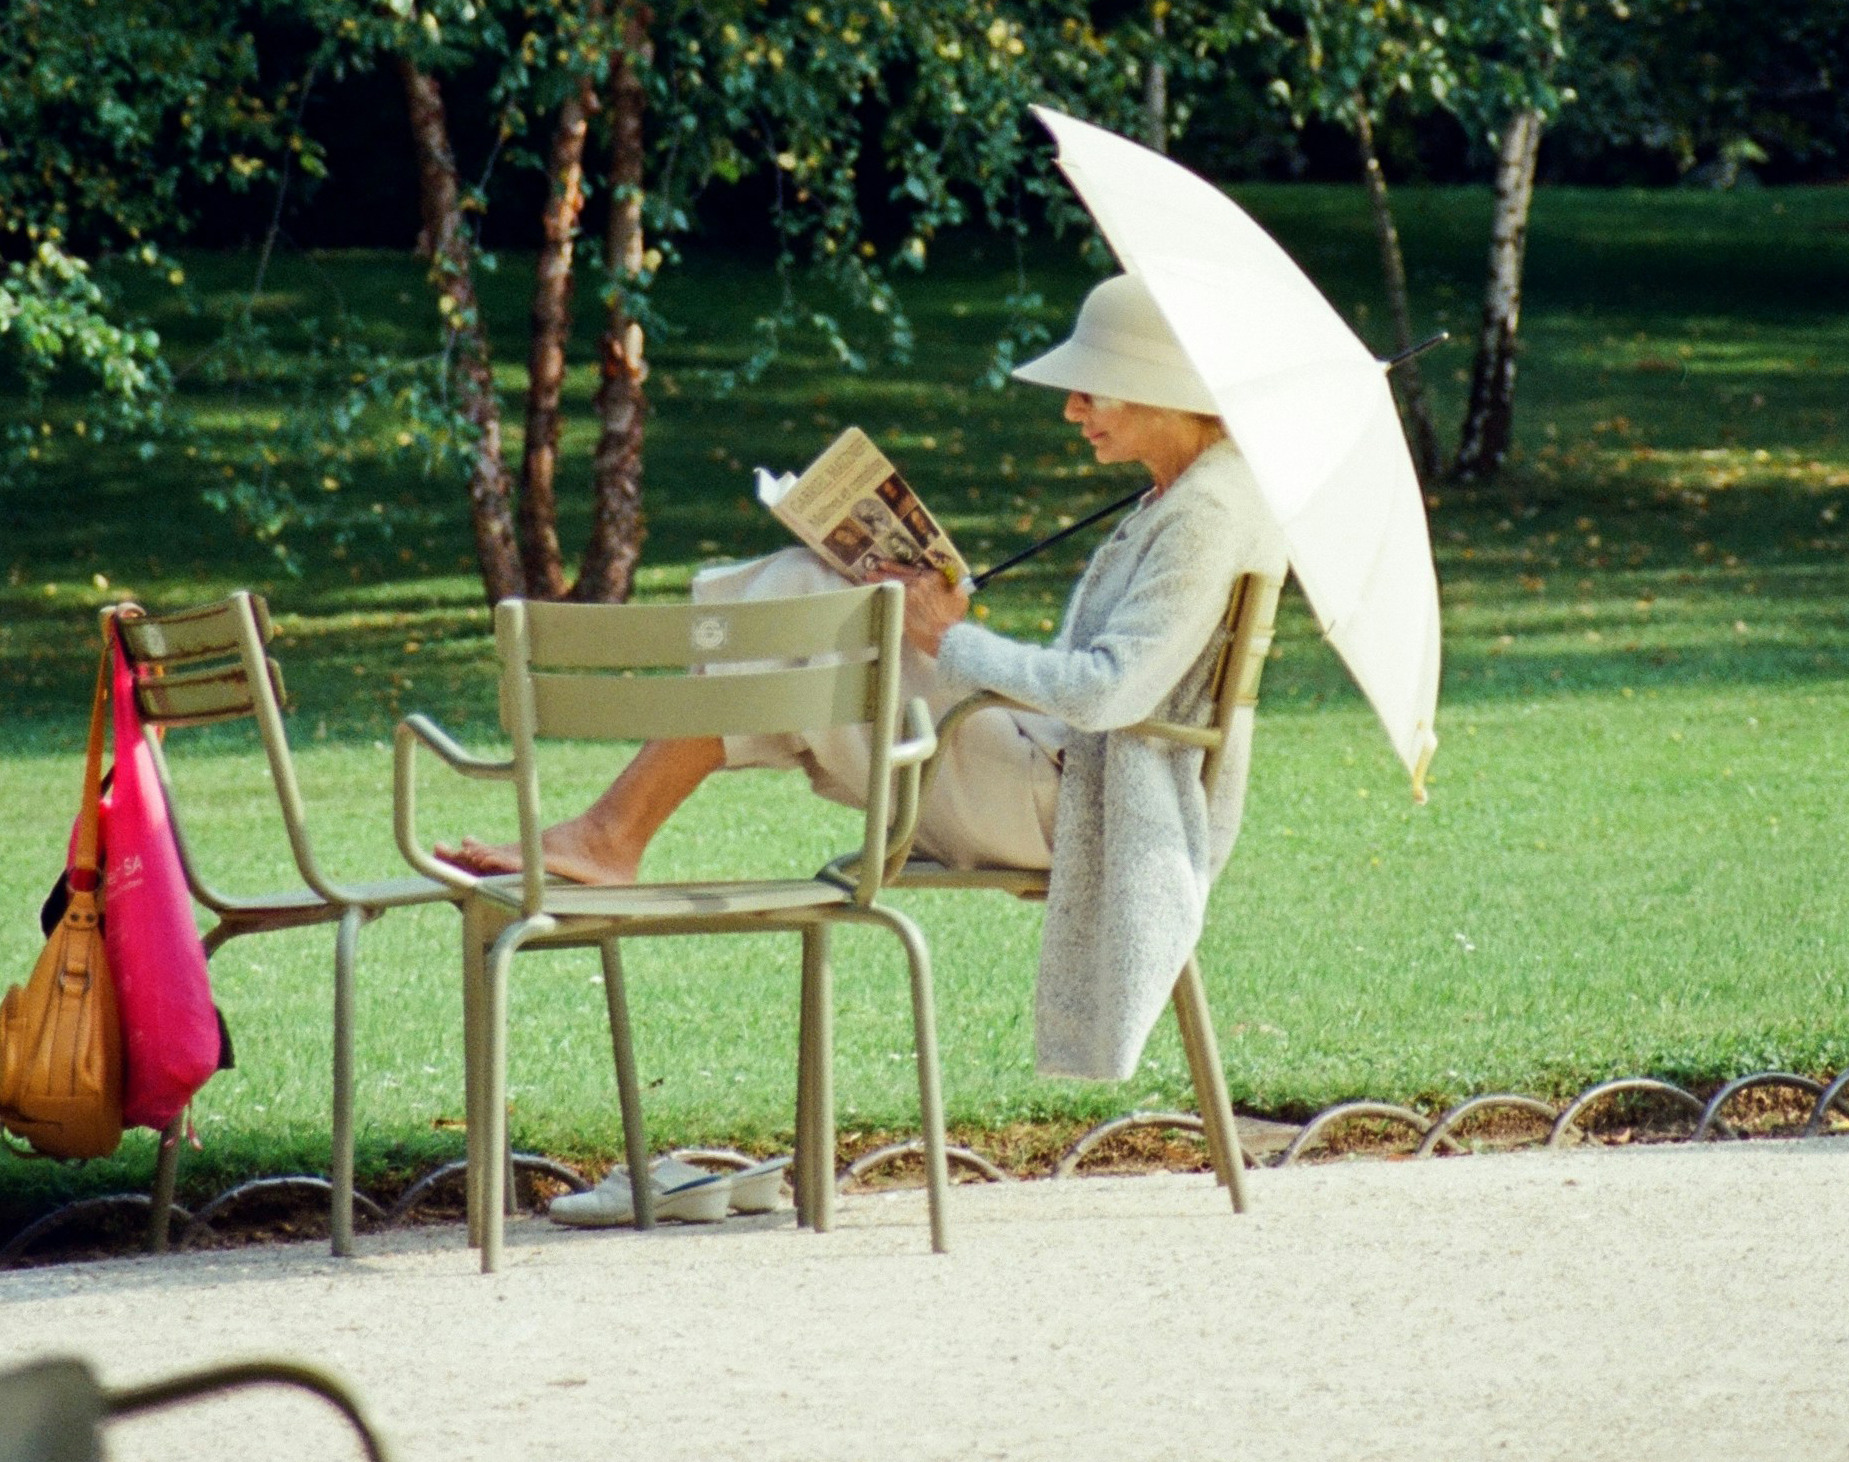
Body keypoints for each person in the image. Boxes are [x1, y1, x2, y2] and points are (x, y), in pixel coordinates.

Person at [444, 274, 1287, 1078]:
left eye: (1089, 389)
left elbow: (1107, 692)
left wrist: (950, 639)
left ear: (1160, 388)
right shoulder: (1184, 497)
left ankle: (607, 835)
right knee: (822, 591)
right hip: (1059, 778)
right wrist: (941, 616)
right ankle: (607, 834)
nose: (1070, 409)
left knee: (811, 602)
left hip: (1078, 808)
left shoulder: (1205, 514)